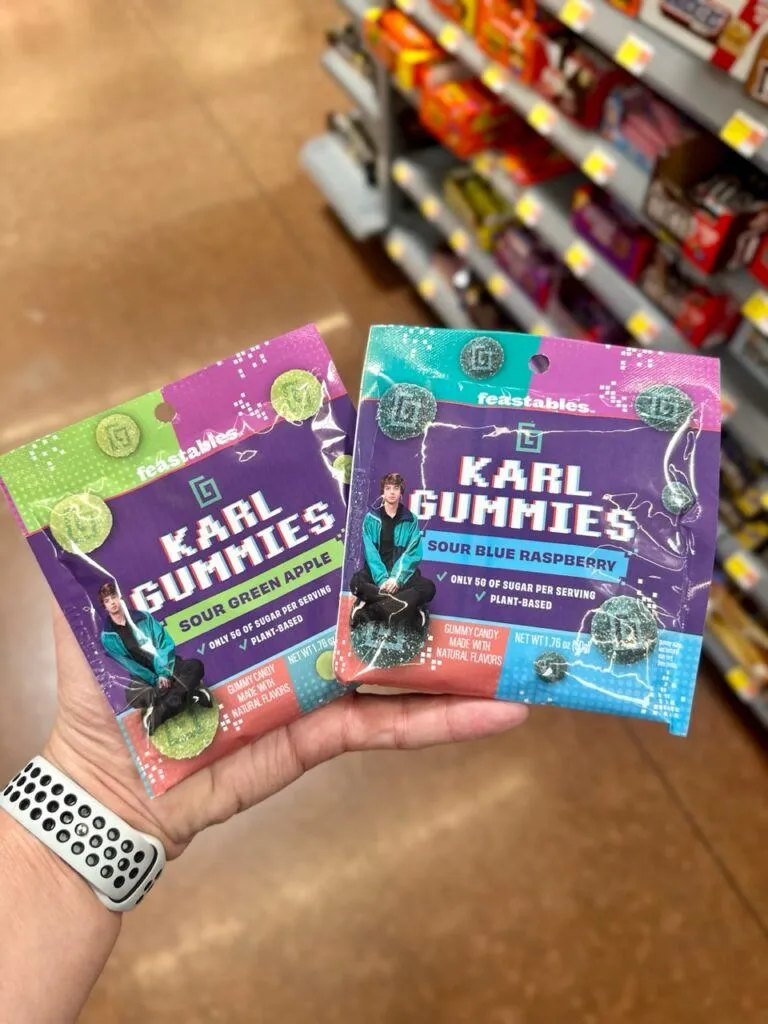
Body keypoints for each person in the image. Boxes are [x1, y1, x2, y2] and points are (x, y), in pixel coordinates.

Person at [0, 608, 527, 1022]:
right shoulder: (112, 640)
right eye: (109, 604)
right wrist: (103, 786)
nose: (114, 608)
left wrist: (100, 790)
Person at [98, 582, 212, 735]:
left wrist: (163, 673)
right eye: (107, 600)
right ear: (104, 606)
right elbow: (128, 664)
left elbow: (163, 642)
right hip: (146, 679)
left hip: (167, 667)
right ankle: (192, 696)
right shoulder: (107, 637)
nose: (112, 602)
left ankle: (160, 713)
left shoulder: (143, 617)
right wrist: (154, 679)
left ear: (120, 598)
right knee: (132, 697)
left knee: (195, 666)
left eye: (114, 597)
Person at [350, 472, 436, 629]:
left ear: (401, 492)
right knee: (356, 582)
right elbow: (371, 554)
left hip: (400, 577)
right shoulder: (371, 518)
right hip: (377, 577)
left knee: (428, 587)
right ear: (383, 491)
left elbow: (413, 552)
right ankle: (402, 606)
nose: (391, 492)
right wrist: (383, 580)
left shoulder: (410, 520)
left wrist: (396, 579)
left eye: (395, 488)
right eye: (388, 488)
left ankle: (374, 609)